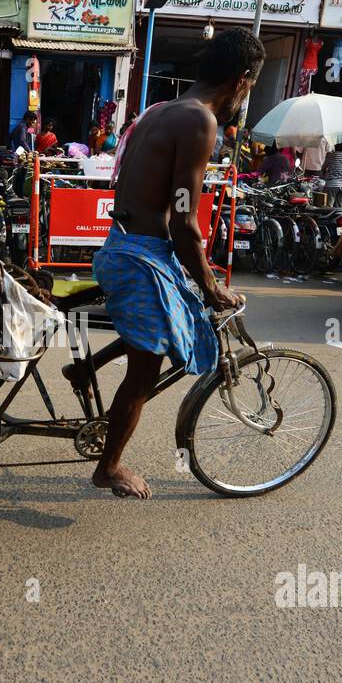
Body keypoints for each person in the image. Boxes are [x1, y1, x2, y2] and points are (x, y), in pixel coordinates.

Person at [89, 27, 255, 499]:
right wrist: (212, 287)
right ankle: (109, 468)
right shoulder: (201, 123)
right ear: (242, 80)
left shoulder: (163, 110)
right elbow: (185, 220)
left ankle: (84, 370)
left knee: (166, 325)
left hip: (128, 245)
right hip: (139, 255)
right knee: (144, 371)